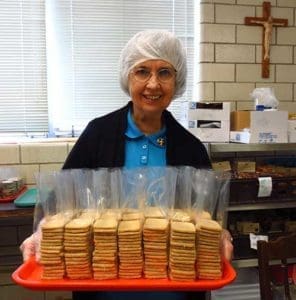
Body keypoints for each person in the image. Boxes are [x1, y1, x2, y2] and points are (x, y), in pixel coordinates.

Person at [20, 29, 233, 300]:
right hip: (103, 288)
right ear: (127, 76)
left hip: (174, 290)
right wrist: (40, 233)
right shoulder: (98, 134)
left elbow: (207, 215)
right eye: (142, 71)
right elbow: (60, 201)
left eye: (164, 73)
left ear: (177, 81)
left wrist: (221, 235)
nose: (153, 84)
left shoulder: (191, 147)